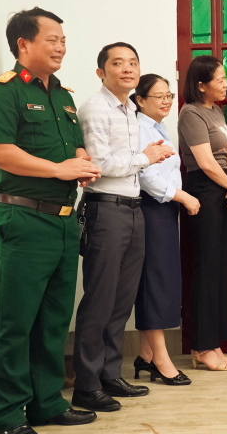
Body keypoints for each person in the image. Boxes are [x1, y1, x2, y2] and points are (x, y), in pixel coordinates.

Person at [0, 7, 100, 434]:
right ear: (23, 44)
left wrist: (82, 162)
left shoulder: (63, 95)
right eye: (52, 39)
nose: (61, 47)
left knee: (53, 320)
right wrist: (60, 170)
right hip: (22, 217)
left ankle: (47, 403)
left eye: (63, 40)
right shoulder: (1, 93)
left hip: (63, 221)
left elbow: (73, 147)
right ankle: (7, 414)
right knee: (14, 322)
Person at [72, 43, 175, 412]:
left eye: (133, 63)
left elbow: (127, 161)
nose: (128, 69)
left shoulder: (130, 108)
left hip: (133, 209)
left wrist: (147, 158)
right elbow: (99, 164)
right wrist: (146, 158)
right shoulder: (95, 108)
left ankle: (109, 374)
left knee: (122, 299)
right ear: (101, 72)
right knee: (100, 299)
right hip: (106, 209)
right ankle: (86, 385)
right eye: (118, 63)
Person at [177, 55, 227, 371]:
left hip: (224, 189)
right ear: (201, 85)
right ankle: (201, 347)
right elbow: (205, 163)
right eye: (220, 79)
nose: (226, 84)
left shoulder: (216, 111)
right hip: (205, 190)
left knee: (219, 269)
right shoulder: (190, 113)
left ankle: (213, 343)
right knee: (206, 270)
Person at [130, 74, 199, 386]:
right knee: (154, 282)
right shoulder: (139, 128)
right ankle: (161, 359)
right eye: (158, 96)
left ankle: (146, 355)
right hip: (150, 208)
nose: (166, 100)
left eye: (169, 95)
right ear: (140, 100)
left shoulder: (158, 127)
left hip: (165, 209)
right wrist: (183, 197)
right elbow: (146, 176)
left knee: (163, 279)